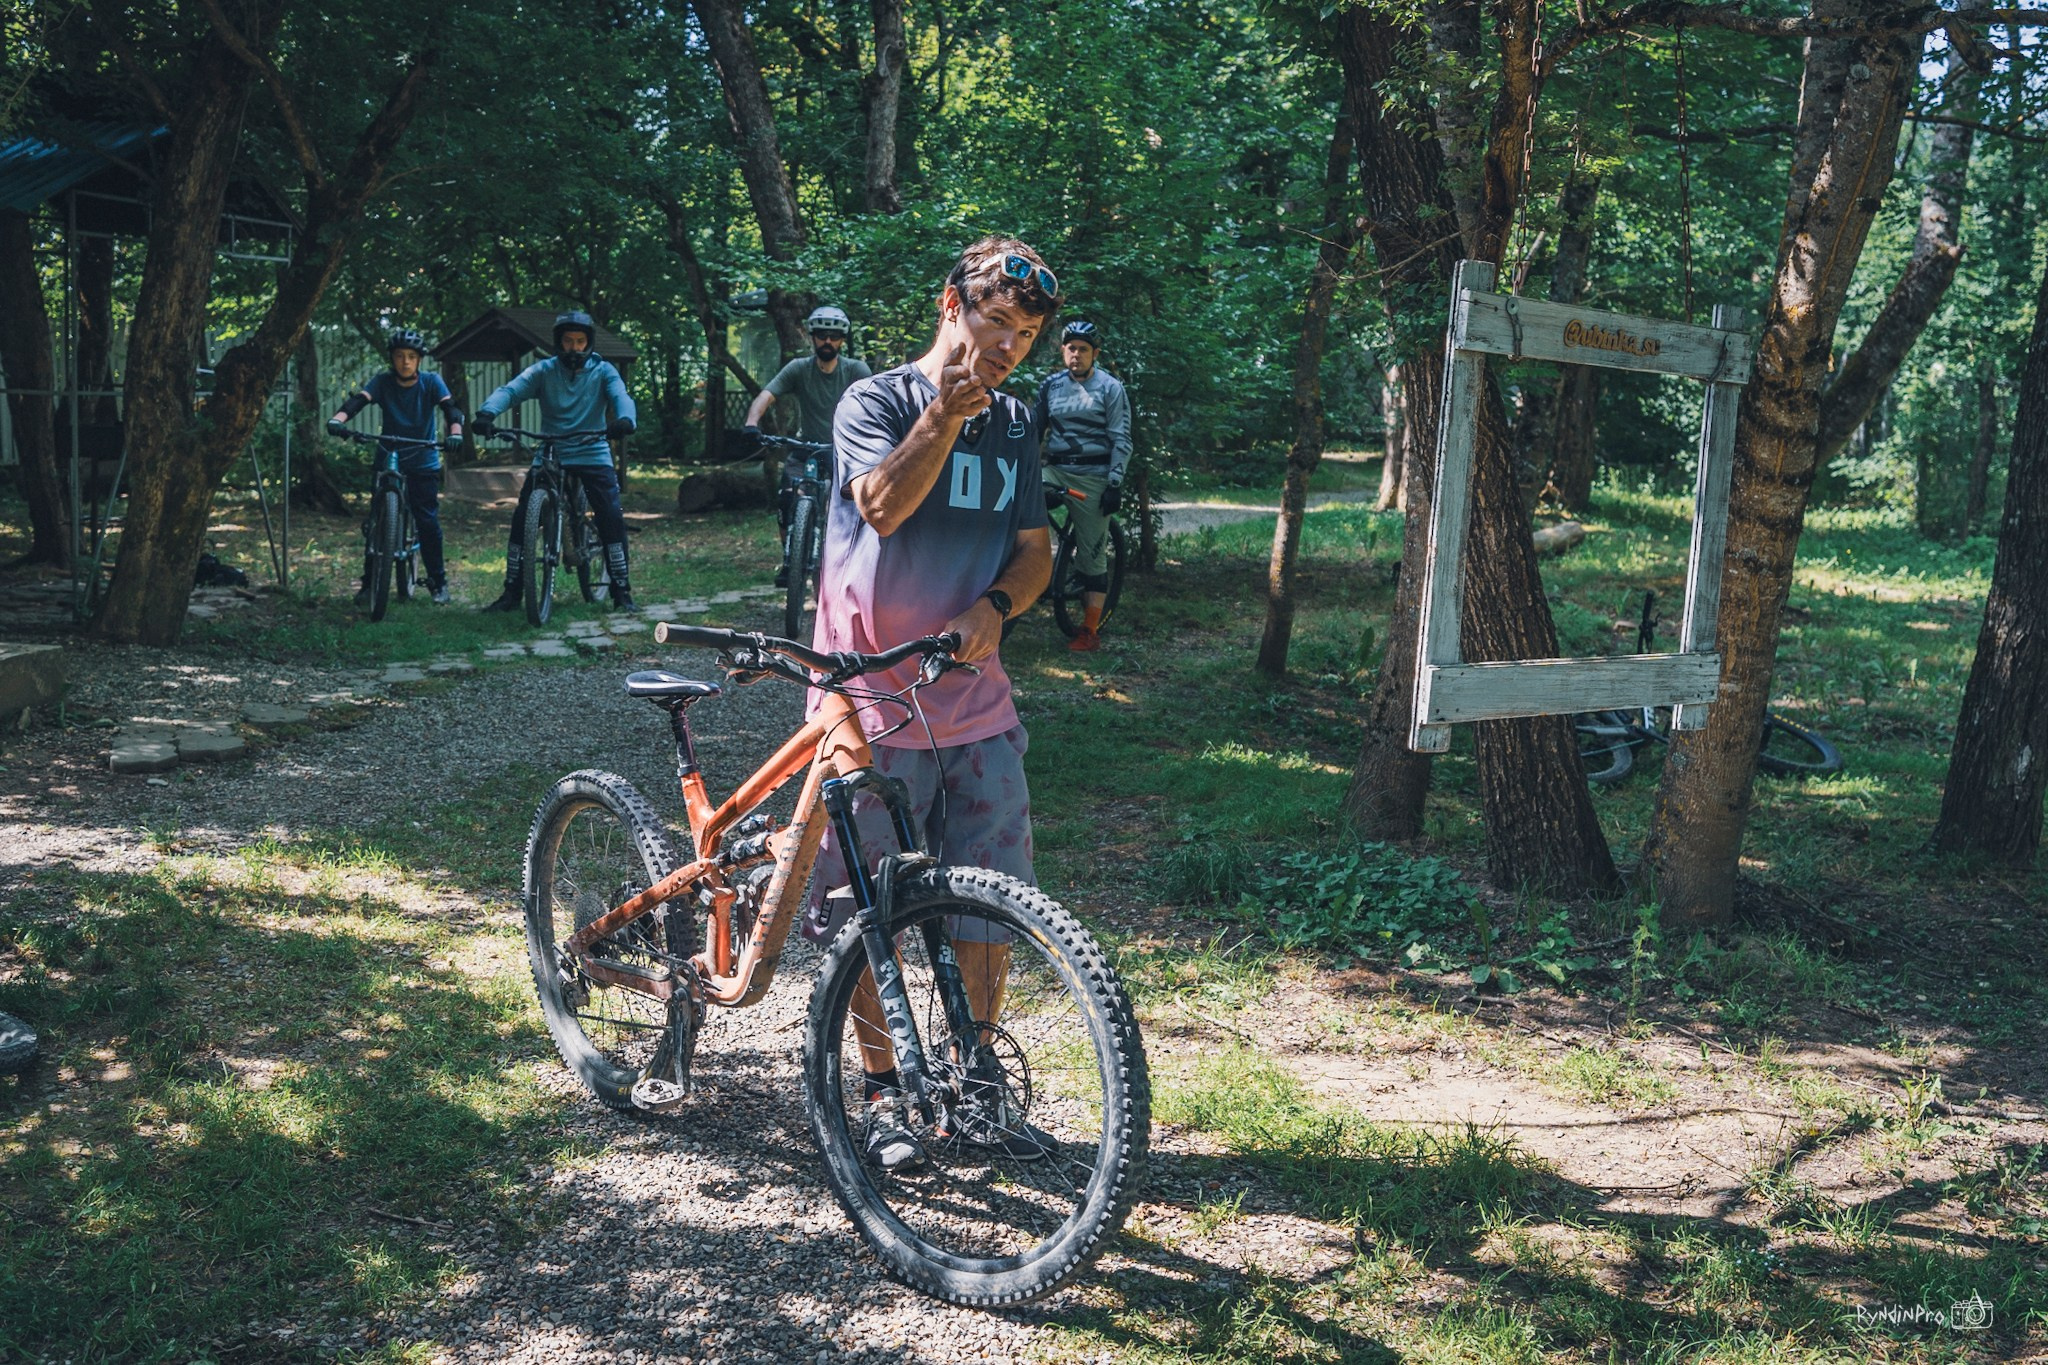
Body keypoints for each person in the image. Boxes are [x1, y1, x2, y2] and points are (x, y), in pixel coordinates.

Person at [803, 237, 1060, 1171]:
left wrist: (998, 606)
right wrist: (945, 420)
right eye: (997, 322)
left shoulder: (1020, 423)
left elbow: (1035, 549)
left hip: (976, 703)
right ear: (951, 305)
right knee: (863, 903)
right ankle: (883, 1091)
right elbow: (878, 502)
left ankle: (974, 1076)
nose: (1009, 346)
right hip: (867, 699)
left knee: (992, 902)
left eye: (1026, 334)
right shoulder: (874, 401)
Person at [470, 311, 640, 612]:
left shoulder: (603, 371)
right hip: (551, 450)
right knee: (523, 517)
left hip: (592, 450)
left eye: (580, 341)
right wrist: (487, 412)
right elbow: (511, 391)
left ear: (588, 344)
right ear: (558, 344)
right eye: (568, 342)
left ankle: (621, 590)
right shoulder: (544, 371)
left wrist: (625, 419)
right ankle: (512, 591)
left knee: (610, 516)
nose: (574, 348)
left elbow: (621, 395)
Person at [328, 328, 464, 606]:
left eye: (411, 357)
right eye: (400, 356)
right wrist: (338, 419)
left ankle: (439, 583)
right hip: (387, 455)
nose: (405, 362)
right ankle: (369, 584)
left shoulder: (431, 382)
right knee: (377, 520)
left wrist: (456, 432)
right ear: (392, 358)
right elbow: (358, 400)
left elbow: (451, 408)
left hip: (422, 459)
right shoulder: (383, 382)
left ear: (419, 360)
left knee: (427, 521)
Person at [745, 305, 874, 588]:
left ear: (842, 340)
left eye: (834, 336)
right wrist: (752, 423)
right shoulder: (798, 369)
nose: (828, 342)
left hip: (844, 451)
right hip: (805, 448)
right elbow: (767, 395)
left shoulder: (855, 369)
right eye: (822, 336)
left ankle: (848, 562)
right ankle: (790, 557)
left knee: (852, 508)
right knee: (786, 498)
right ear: (813, 337)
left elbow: (875, 403)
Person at [1032, 318, 1131, 651]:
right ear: (1063, 351)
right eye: (1071, 348)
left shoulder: (1110, 388)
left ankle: (1089, 630)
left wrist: (1114, 483)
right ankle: (1031, 564)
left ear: (1095, 353)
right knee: (1019, 507)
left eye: (1084, 349)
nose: (1077, 354)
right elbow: (1034, 432)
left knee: (1092, 557)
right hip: (1056, 470)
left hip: (1094, 475)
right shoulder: (1050, 386)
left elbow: (1120, 437)